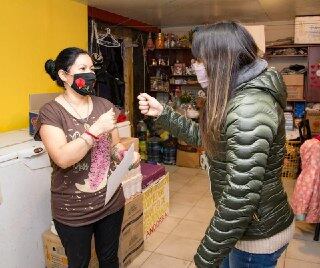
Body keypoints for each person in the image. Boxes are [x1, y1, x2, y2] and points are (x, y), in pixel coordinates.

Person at [138, 22, 294, 268]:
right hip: (244, 229)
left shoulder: (248, 108)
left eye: (199, 60)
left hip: (256, 236)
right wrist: (164, 114)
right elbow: (211, 141)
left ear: (222, 61)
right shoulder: (235, 93)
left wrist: (205, 257)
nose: (194, 66)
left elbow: (240, 198)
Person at [37, 47, 139, 268]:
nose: (90, 73)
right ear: (64, 75)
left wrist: (123, 154)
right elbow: (63, 158)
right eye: (82, 68)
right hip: (73, 211)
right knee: (79, 263)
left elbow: (114, 146)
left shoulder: (104, 105)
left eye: (91, 68)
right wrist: (94, 130)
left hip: (110, 203)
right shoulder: (50, 112)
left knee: (110, 259)